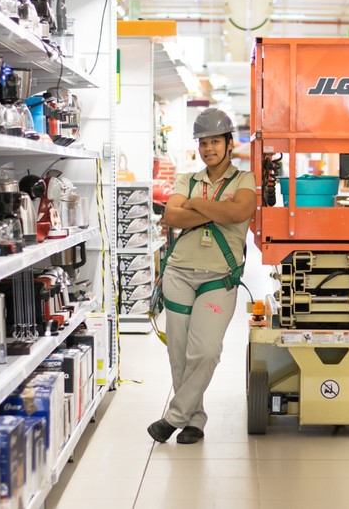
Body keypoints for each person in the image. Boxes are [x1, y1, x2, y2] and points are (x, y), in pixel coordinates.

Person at [147, 108, 256, 445]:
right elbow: (171, 217)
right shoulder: (187, 180)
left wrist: (195, 206)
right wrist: (213, 210)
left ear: (228, 143)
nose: (209, 149)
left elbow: (239, 212)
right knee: (178, 353)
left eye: (215, 142)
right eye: (204, 143)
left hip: (219, 279)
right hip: (178, 273)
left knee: (205, 351)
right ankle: (194, 420)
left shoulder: (244, 180)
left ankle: (173, 417)